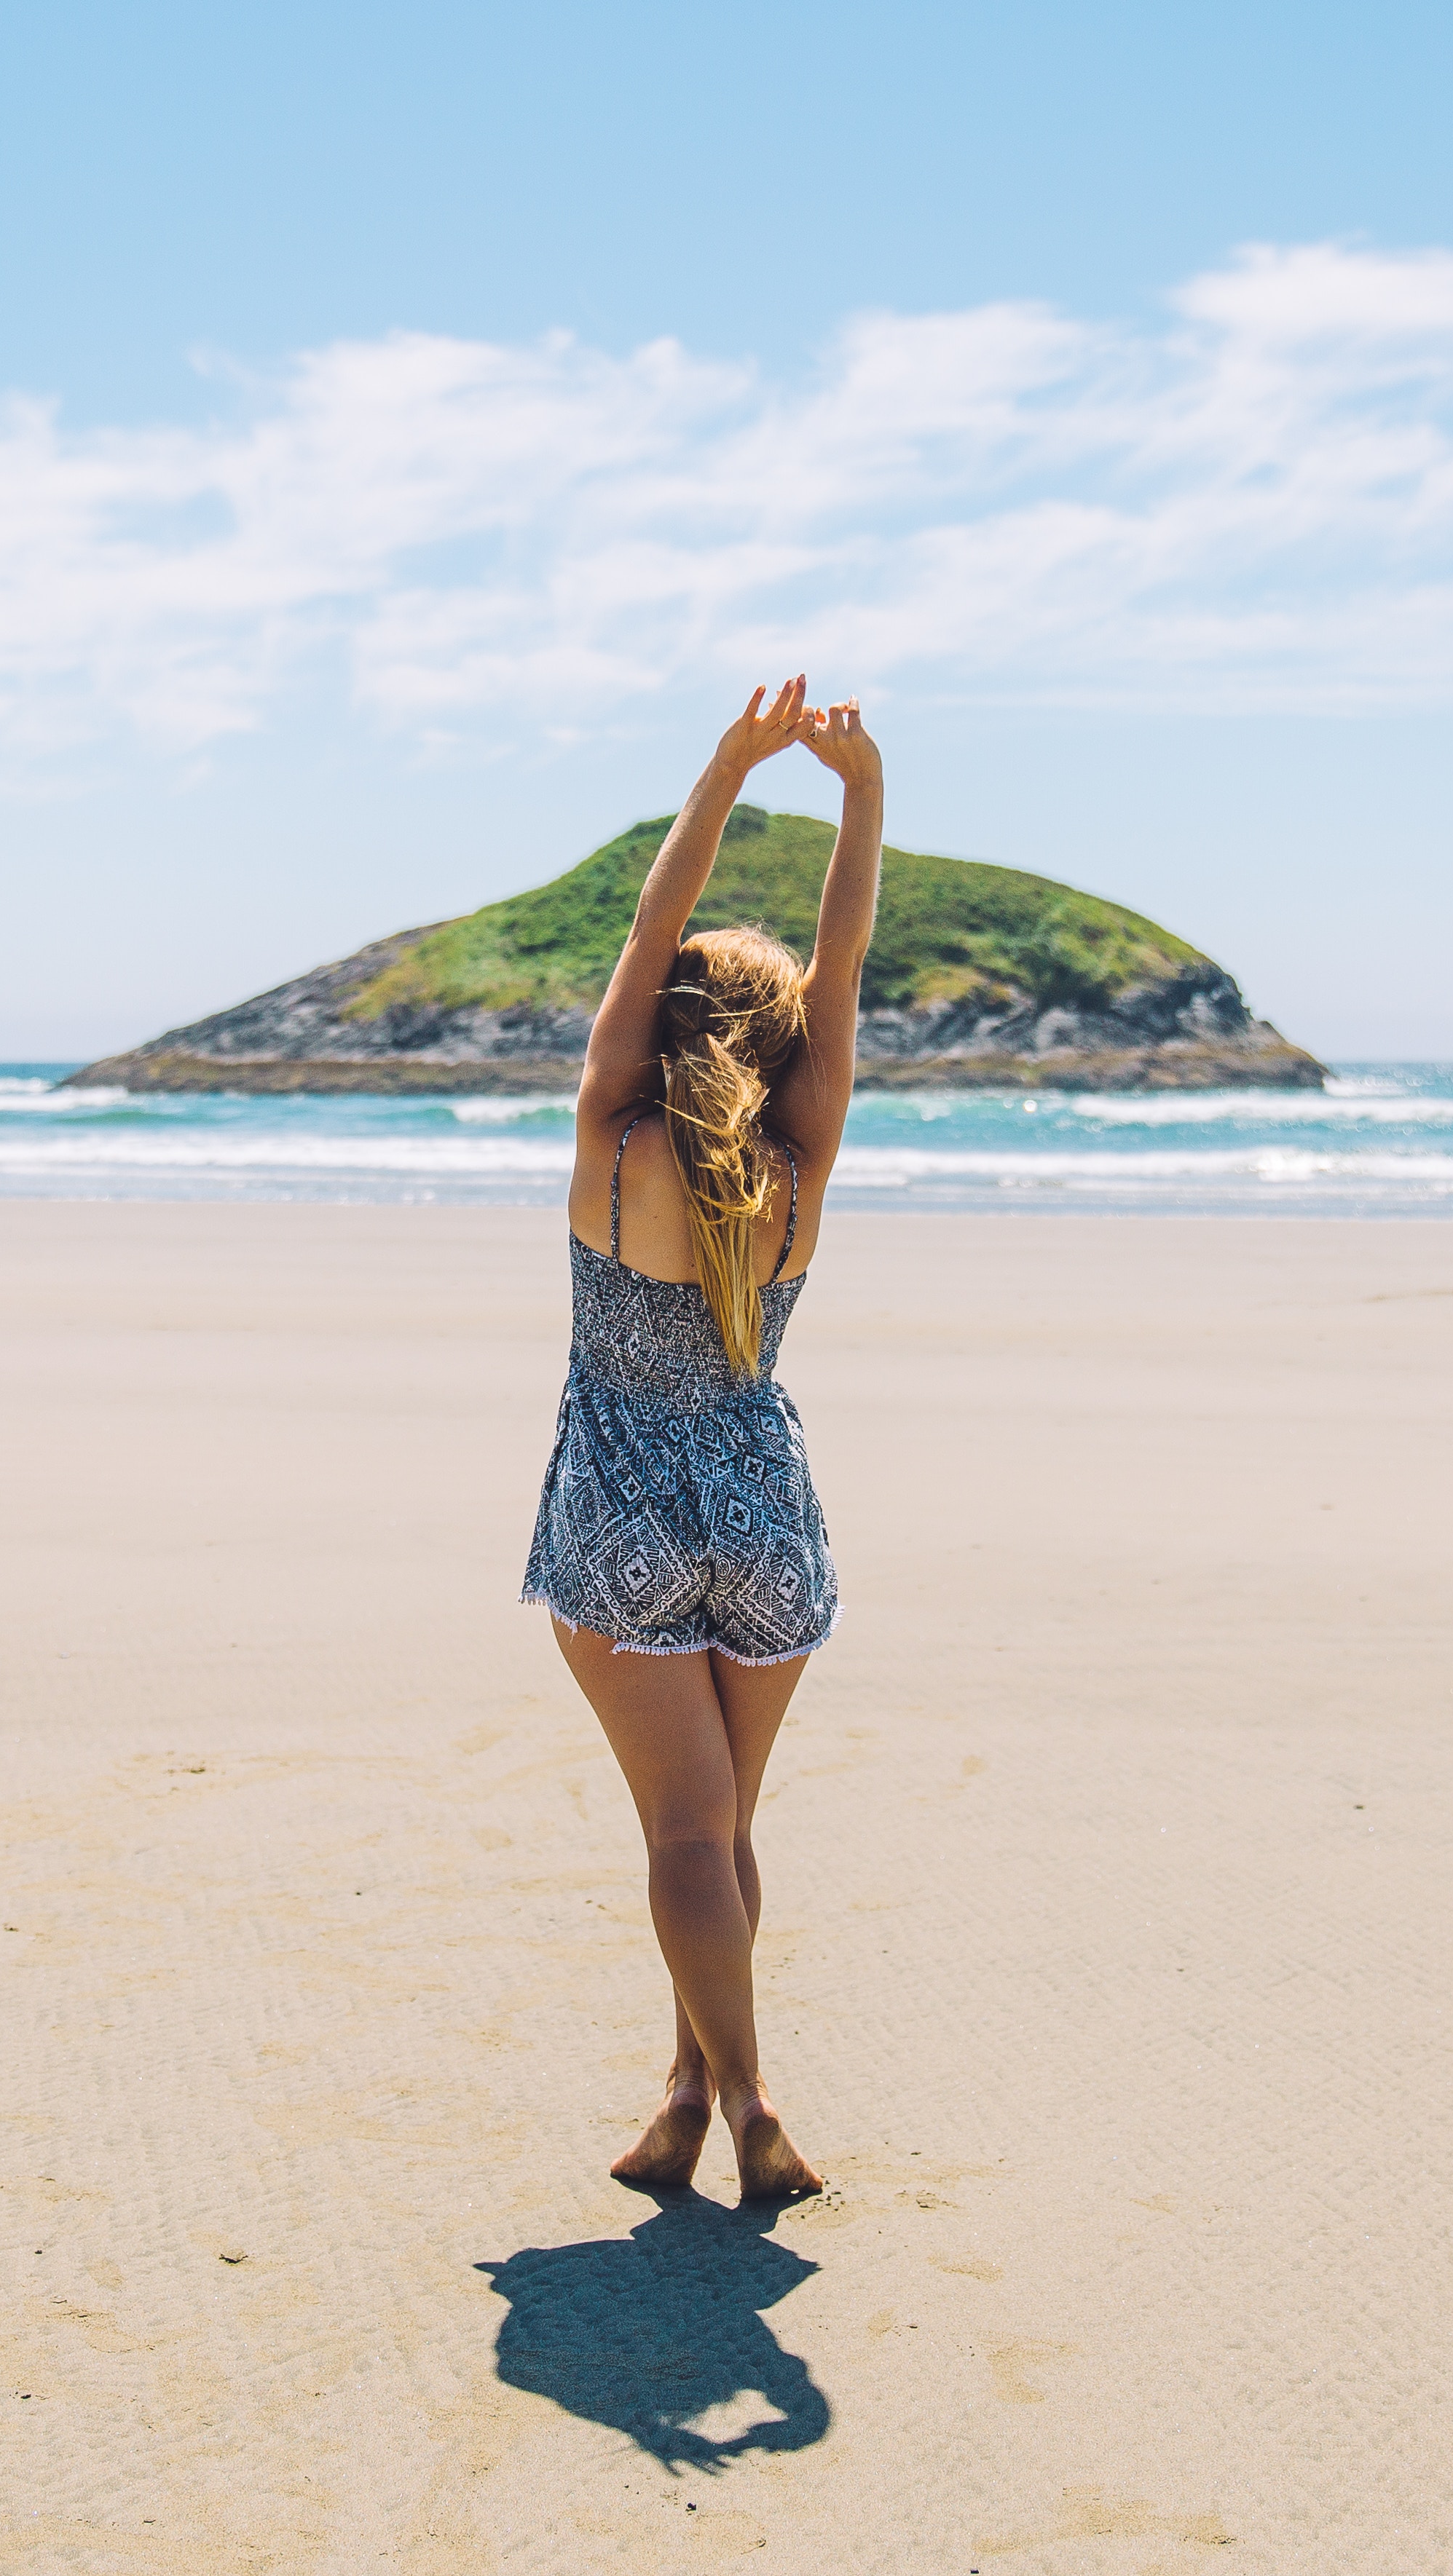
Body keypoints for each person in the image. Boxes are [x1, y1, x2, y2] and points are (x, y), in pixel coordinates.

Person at [520, 674, 881, 2202]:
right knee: (724, 1831)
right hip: (763, 1508)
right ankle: (683, 2091)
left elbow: (638, 943)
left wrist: (725, 772)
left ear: (665, 1021)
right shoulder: (800, 1158)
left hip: (622, 1505)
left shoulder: (615, 1135)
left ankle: (746, 2102)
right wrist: (864, 794)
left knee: (682, 1832)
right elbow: (845, 965)